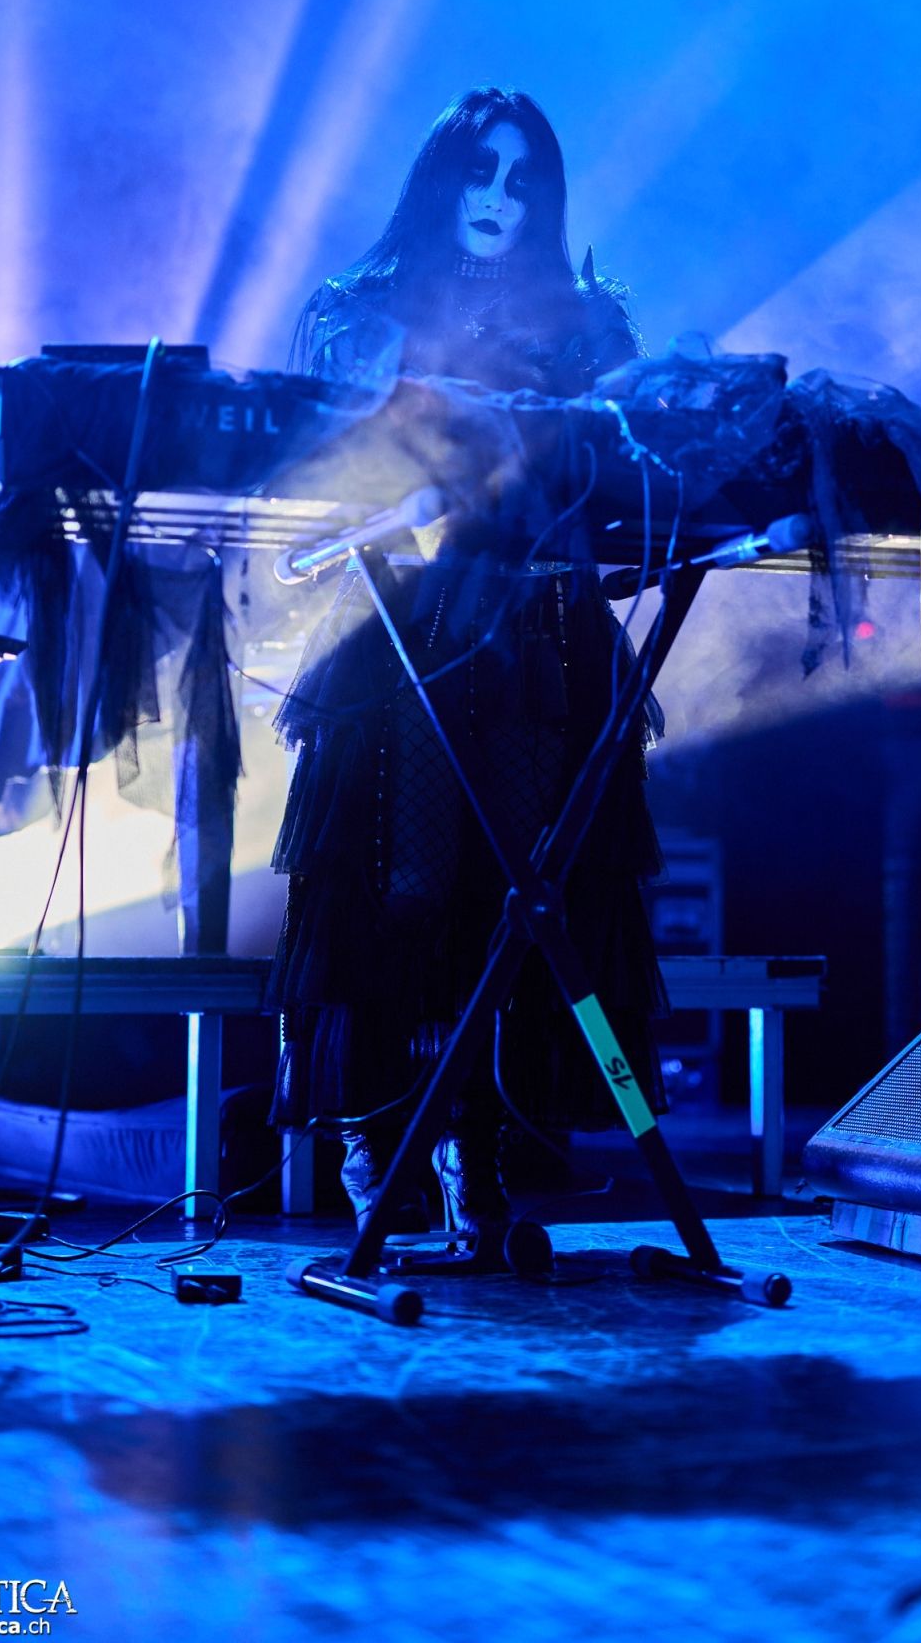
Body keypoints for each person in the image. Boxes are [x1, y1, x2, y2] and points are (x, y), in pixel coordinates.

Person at [267, 86, 667, 1249]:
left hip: (540, 638)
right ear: (440, 179)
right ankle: (377, 1139)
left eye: (521, 179)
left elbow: (626, 465)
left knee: (520, 894)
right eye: (479, 172)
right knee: (401, 884)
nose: (497, 198)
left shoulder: (585, 321)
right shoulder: (364, 305)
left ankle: (478, 1149)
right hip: (402, 632)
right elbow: (327, 457)